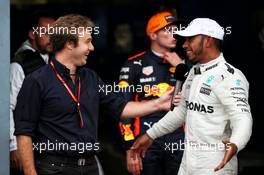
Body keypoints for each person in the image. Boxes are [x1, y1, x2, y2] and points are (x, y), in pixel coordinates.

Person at [13, 14, 177, 175]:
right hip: (54, 168)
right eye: (88, 42)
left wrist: (159, 103)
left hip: (89, 166)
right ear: (70, 43)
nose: (92, 47)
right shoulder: (36, 81)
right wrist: (30, 172)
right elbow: (24, 131)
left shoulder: (90, 77)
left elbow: (120, 107)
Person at [131, 18, 253, 175]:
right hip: (187, 164)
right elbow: (182, 112)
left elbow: (242, 117)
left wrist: (236, 143)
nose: (184, 44)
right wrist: (150, 135)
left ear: (208, 40)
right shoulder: (194, 72)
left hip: (216, 166)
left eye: (191, 39)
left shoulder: (230, 76)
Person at [118, 11, 185, 175]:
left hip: (178, 139)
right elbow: (122, 109)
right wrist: (129, 147)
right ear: (153, 35)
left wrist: (182, 68)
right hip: (145, 140)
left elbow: (199, 99)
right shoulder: (134, 64)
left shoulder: (185, 63)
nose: (174, 34)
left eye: (175, 30)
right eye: (167, 30)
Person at [10, 14, 55, 174]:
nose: (52, 38)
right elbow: (9, 107)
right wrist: (13, 146)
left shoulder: (51, 58)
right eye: (47, 33)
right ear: (32, 34)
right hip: (26, 140)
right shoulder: (19, 64)